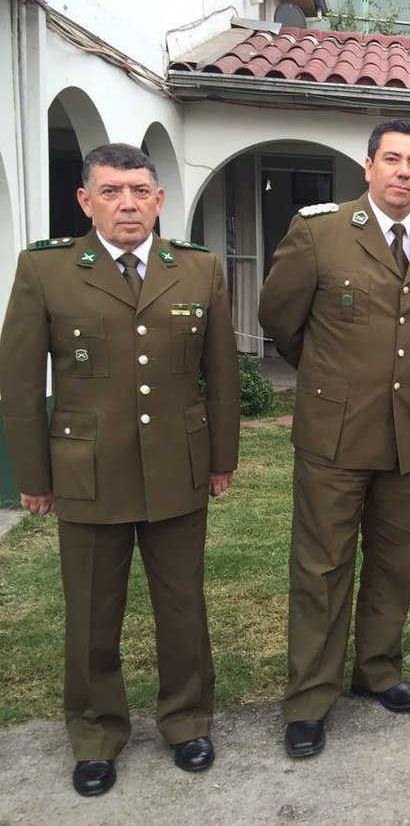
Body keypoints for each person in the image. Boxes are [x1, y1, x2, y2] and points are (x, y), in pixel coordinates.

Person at [0, 143, 240, 797]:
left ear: (160, 200)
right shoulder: (45, 270)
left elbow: (221, 375)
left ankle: (187, 720)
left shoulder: (197, 272)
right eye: (110, 192)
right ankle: (96, 733)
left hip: (178, 467)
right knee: (90, 614)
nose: (127, 204)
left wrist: (222, 461)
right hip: (88, 471)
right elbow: (19, 384)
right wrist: (34, 477)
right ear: (86, 201)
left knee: (183, 607)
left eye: (139, 190)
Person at [258, 119, 410, 759]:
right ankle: (310, 700)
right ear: (369, 165)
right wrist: (334, 381)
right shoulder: (320, 231)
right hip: (335, 432)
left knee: (394, 559)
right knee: (322, 566)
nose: (404, 172)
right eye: (393, 159)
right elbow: (282, 320)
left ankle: (378, 670)